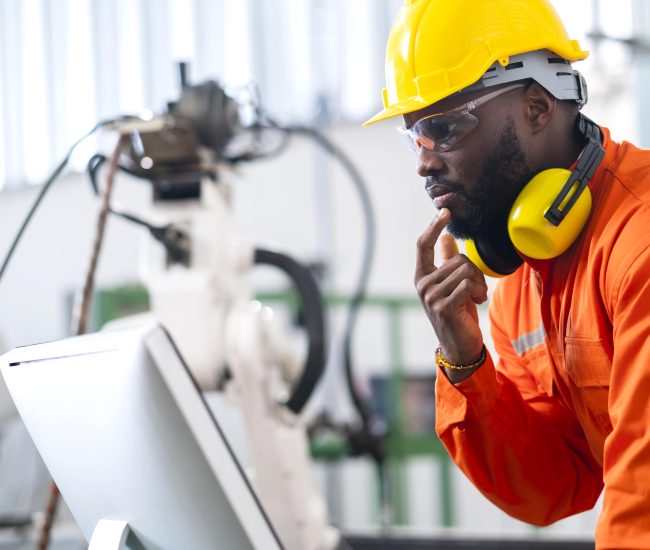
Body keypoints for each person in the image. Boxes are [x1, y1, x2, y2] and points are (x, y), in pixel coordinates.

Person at [364, 1, 650, 548]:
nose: (424, 162)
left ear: (538, 106)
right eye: (413, 138)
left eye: (442, 128)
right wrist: (467, 361)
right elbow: (553, 483)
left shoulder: (639, 245)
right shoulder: (519, 278)